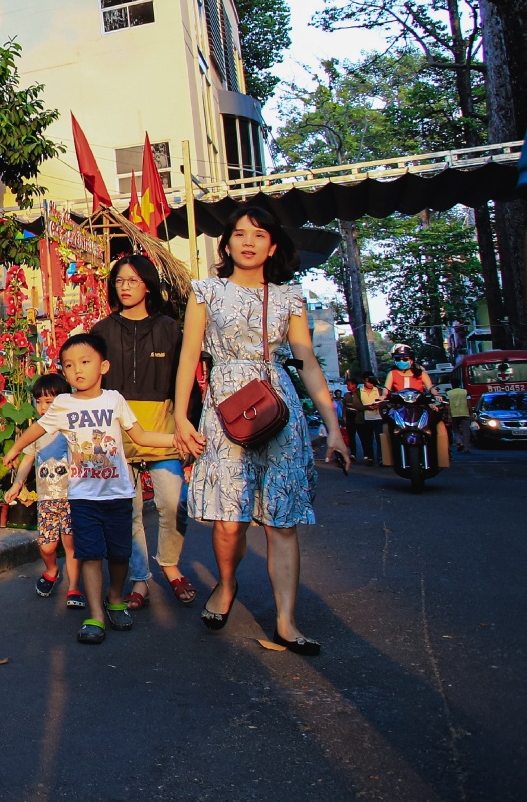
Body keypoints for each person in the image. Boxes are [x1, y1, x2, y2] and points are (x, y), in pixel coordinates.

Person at [174, 205, 350, 655]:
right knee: (228, 522)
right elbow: (189, 356)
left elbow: (306, 361)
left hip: (278, 409)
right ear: (226, 244)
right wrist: (181, 418)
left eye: (258, 234)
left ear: (272, 245)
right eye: (239, 233)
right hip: (224, 407)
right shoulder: (206, 292)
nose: (248, 241)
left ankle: (286, 621)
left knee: (282, 521)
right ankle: (226, 585)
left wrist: (332, 426)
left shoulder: (289, 297)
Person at [3, 334, 179, 645]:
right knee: (91, 555)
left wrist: (177, 440)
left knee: (120, 554)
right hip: (83, 497)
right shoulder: (63, 404)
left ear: (104, 366)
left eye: (85, 362)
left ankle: (115, 599)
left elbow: (140, 436)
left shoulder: (114, 400)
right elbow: (38, 427)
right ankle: (96, 614)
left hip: (118, 494)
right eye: (69, 365)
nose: (77, 370)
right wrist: (16, 448)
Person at [90, 253, 192, 608]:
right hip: (115, 434)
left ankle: (170, 565)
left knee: (173, 502)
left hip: (163, 428)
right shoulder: (101, 330)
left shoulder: (170, 328)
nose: (126, 287)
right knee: (127, 512)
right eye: (120, 280)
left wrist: (187, 424)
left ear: (147, 285)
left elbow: (185, 380)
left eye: (133, 280)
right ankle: (139, 580)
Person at [4, 373, 77, 601]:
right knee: (47, 546)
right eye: (40, 401)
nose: (44, 407)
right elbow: (27, 460)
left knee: (72, 544)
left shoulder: (70, 429)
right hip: (47, 499)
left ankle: (74, 586)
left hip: (71, 497)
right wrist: (17, 484)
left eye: (50, 401)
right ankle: (52, 570)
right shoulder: (36, 431)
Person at [358, 374, 384, 464]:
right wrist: (366, 407)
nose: (369, 384)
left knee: (380, 439)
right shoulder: (359, 391)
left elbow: (385, 403)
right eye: (367, 381)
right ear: (364, 381)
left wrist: (378, 405)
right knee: (368, 439)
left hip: (378, 418)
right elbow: (356, 405)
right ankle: (370, 457)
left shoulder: (379, 390)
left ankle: (381, 458)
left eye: (371, 382)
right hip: (365, 419)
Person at [447, 379, 471, 453]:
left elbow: (448, 405)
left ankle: (459, 442)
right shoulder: (465, 392)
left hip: (454, 414)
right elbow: (469, 404)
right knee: (466, 432)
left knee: (456, 430)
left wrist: (449, 415)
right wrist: (471, 413)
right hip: (465, 413)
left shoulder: (448, 393)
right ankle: (466, 448)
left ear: (452, 385)